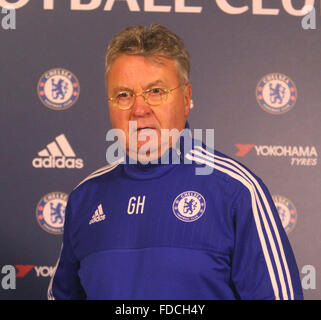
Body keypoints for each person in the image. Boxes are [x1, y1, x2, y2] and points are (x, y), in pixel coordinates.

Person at [48, 24, 303, 300]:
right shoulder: (85, 198)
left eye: (155, 91)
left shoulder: (236, 191)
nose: (139, 109)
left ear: (186, 98)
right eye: (124, 95)